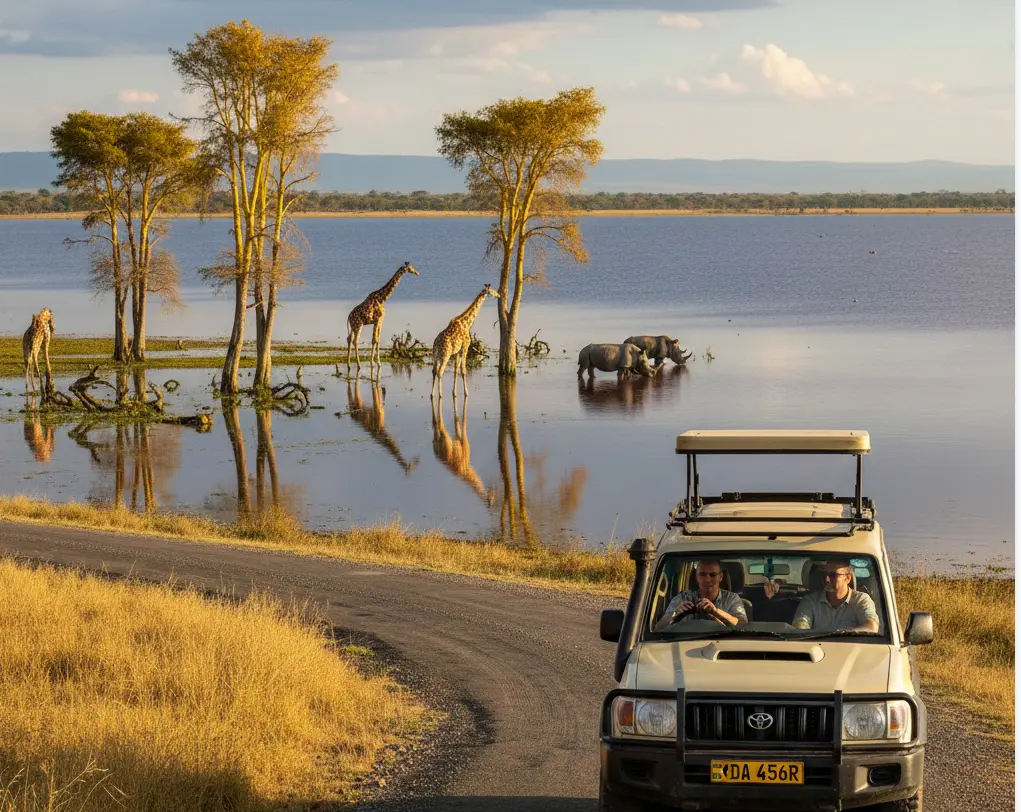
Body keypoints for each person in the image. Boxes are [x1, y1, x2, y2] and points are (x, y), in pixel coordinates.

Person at [654, 559, 747, 631]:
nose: (707, 579)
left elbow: (743, 626)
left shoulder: (731, 599)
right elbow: (658, 629)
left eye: (713, 575)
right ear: (696, 577)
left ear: (721, 577)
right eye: (702, 574)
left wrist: (716, 612)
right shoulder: (683, 598)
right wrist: (674, 614)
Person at [792, 560, 879, 633]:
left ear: (848, 578)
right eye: (824, 574)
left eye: (833, 575)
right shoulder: (810, 601)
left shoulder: (861, 600)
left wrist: (841, 636)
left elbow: (871, 627)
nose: (826, 579)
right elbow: (800, 629)